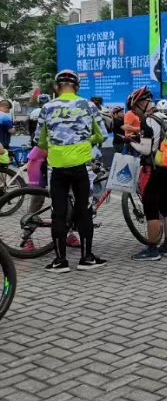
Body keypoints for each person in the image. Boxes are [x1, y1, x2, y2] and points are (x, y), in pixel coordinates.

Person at [35, 70, 107, 273]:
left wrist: (57, 144)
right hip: (82, 166)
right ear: (77, 87)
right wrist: (86, 141)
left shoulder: (47, 107)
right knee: (84, 210)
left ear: (56, 87)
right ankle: (86, 258)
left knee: (58, 213)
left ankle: (60, 261)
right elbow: (102, 135)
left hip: (57, 167)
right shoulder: (88, 105)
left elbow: (39, 140)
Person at [127, 88, 167, 261]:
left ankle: (152, 249)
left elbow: (146, 149)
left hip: (152, 169)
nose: (134, 113)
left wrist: (130, 141)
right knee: (166, 207)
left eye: (135, 109)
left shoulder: (148, 121)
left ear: (142, 104)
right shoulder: (165, 117)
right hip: (166, 167)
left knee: (151, 209)